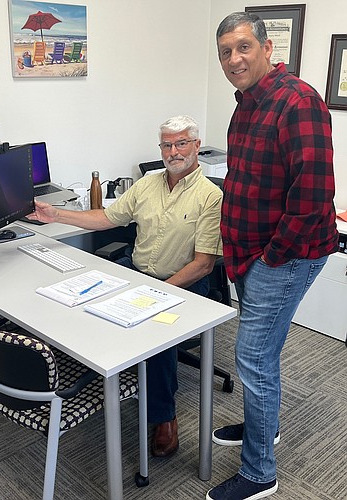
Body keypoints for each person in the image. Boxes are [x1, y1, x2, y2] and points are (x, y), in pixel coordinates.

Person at [27, 115, 223, 458]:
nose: (173, 151)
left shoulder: (210, 197)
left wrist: (156, 294)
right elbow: (106, 218)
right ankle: (101, 384)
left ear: (195, 145)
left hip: (184, 285)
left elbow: (203, 264)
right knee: (84, 302)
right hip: (137, 271)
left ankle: (164, 417)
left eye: (181, 143)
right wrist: (56, 216)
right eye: (167, 144)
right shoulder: (147, 184)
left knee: (156, 340)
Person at [206, 12, 339, 500]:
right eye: (225, 52)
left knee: (253, 358)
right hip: (249, 251)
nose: (234, 59)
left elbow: (313, 195)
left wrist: (271, 257)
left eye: (243, 47)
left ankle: (260, 473)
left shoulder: (297, 101)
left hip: (282, 256)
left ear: (265, 47)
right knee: (262, 355)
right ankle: (266, 428)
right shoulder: (246, 104)